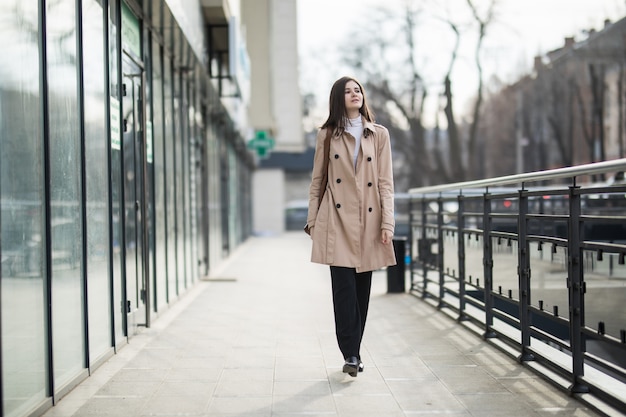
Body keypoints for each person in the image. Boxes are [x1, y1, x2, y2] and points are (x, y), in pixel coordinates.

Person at [306, 76, 396, 377]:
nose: (354, 94)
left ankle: (354, 351)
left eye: (358, 90)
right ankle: (351, 354)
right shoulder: (328, 134)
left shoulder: (379, 134)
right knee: (343, 290)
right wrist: (313, 221)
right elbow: (318, 180)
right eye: (348, 91)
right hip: (336, 219)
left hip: (369, 220)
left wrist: (388, 223)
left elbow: (385, 184)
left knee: (361, 291)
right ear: (338, 98)